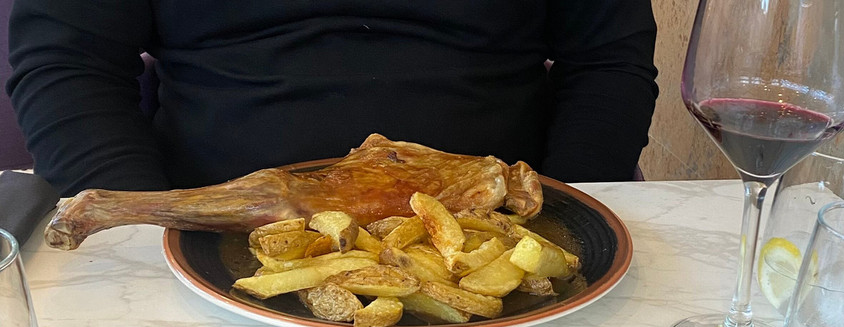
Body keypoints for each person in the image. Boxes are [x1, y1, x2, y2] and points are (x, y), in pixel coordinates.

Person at [6, 2, 659, 197]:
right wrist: (144, 228)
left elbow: (608, 62)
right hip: (206, 229)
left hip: (501, 231)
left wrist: (566, 213)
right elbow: (69, 63)